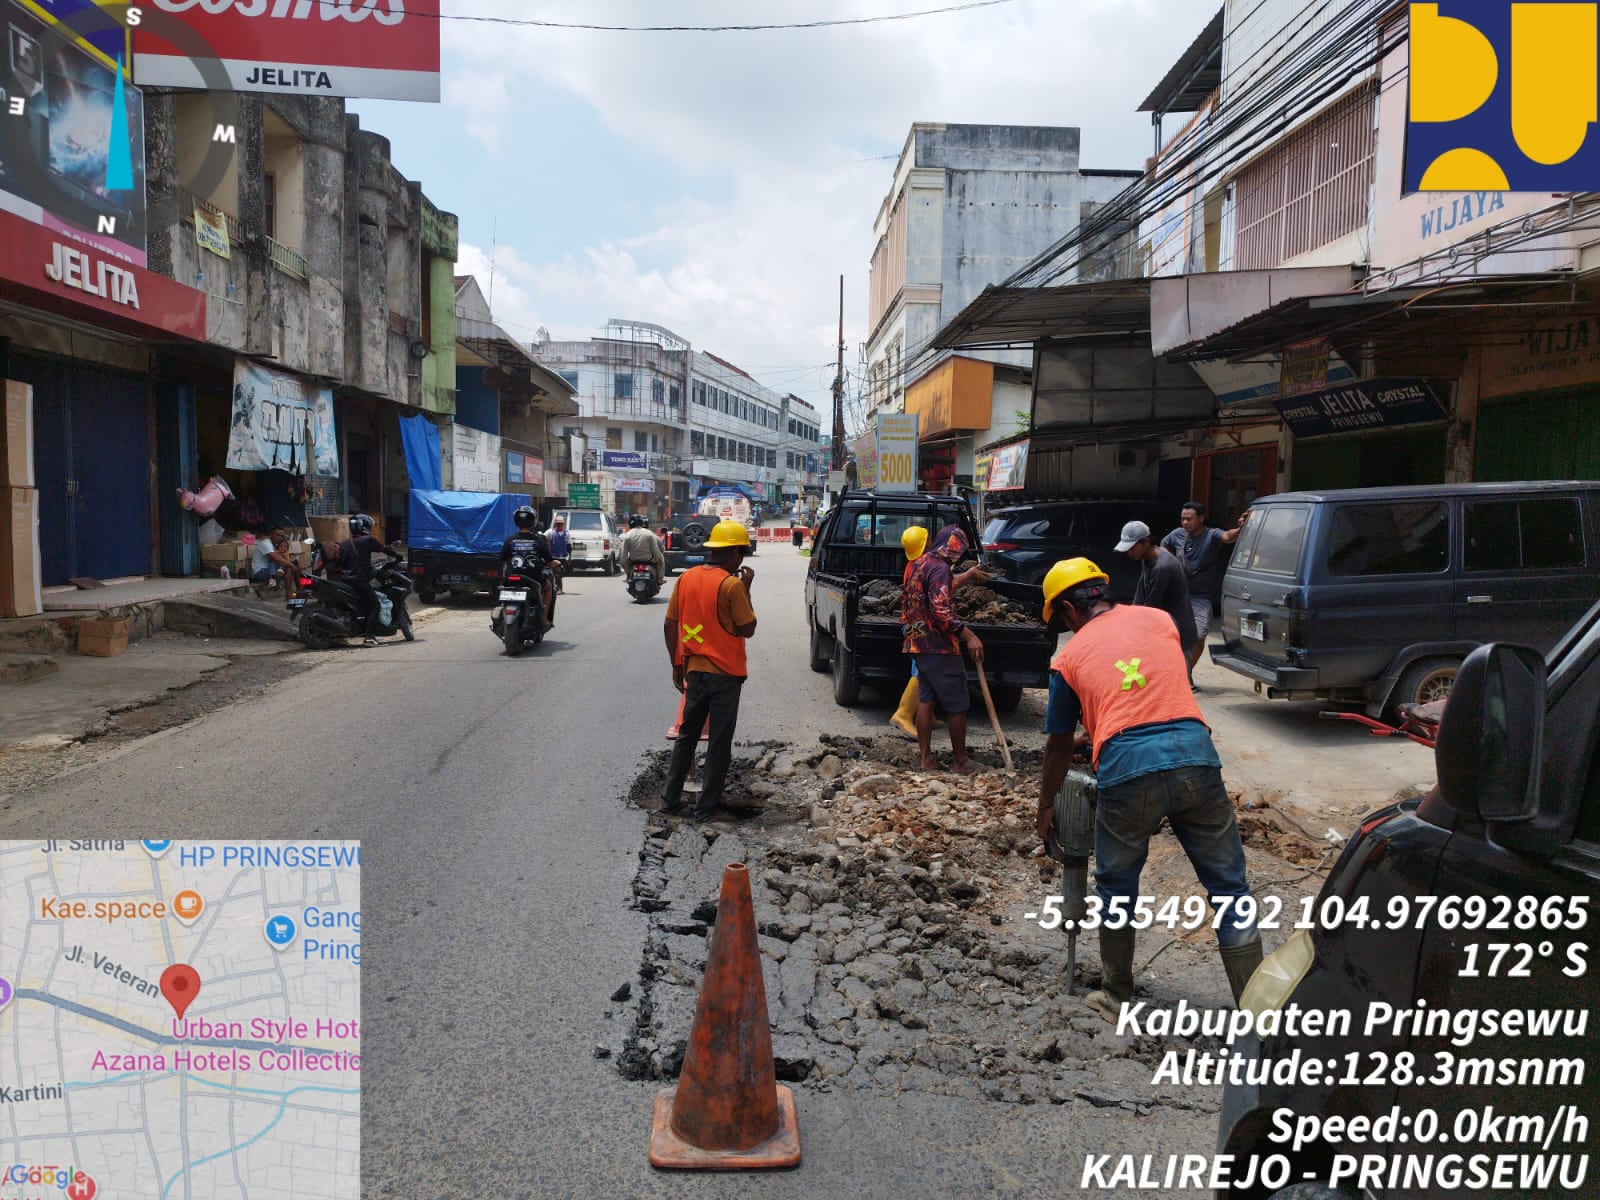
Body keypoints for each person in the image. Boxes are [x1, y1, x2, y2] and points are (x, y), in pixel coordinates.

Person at [1034, 557, 1262, 1022]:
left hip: (1127, 768)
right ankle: (1258, 1013)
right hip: (1196, 754)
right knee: (1230, 888)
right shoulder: (1158, 620)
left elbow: (1057, 746)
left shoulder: (1068, 659)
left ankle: (1117, 995)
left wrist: (1045, 806)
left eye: (1059, 619)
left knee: (1117, 886)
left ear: (1067, 611)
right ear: (1100, 591)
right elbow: (1148, 683)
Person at [661, 519, 757, 820]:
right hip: (725, 674)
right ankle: (706, 809)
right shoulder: (731, 585)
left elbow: (670, 623)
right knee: (718, 743)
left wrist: (677, 663)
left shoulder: (686, 578)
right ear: (735, 554)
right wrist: (747, 589)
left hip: (694, 670)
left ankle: (670, 801)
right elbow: (748, 628)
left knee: (687, 737)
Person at [889, 526, 992, 736]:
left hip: (911, 623)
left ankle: (926, 716)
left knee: (924, 675)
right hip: (919, 628)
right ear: (927, 544)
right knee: (922, 671)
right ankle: (903, 713)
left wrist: (968, 574)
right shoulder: (935, 566)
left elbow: (946, 585)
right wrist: (966, 633)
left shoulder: (917, 564)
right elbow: (940, 602)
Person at [1161, 501, 1249, 679]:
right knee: (1171, 636)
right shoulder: (1178, 534)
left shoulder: (1211, 534)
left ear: (1201, 518)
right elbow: (1164, 544)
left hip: (1201, 597)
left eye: (1189, 519)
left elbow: (1227, 537)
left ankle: (1185, 673)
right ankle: (1176, 674)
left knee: (1199, 636)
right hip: (1177, 596)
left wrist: (1240, 529)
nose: (1185, 523)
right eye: (1183, 519)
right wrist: (1171, 563)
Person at [1115, 520, 1198, 679]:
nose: (1129, 553)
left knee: (1175, 684)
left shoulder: (1162, 567)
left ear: (1145, 542)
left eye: (1132, 547)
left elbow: (1151, 608)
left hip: (1176, 632)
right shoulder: (1148, 559)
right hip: (1164, 630)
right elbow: (1141, 593)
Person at [339, 515, 394, 647]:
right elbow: (384, 549)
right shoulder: (368, 540)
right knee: (375, 605)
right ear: (365, 526)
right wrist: (397, 555)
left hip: (345, 581)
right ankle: (369, 637)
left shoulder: (345, 544)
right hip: (360, 581)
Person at [500, 506, 555, 629]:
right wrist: (555, 563)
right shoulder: (539, 540)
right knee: (548, 587)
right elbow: (549, 561)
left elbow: (503, 559)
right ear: (533, 521)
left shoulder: (510, 540)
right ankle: (544, 618)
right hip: (533, 580)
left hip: (511, 579)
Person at [621, 513, 666, 587]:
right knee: (661, 560)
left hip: (633, 560)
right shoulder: (649, 534)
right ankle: (660, 579)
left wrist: (624, 564)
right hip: (649, 559)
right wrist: (659, 558)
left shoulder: (627, 535)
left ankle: (628, 577)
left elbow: (624, 554)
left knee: (623, 562)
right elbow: (655, 550)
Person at [249, 528, 295, 593]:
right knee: (288, 567)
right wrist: (291, 565)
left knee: (291, 565)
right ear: (271, 535)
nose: (280, 537)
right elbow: (276, 558)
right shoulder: (266, 543)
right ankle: (288, 592)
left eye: (282, 536)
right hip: (260, 572)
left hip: (267, 569)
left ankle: (294, 590)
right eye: (278, 535)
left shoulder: (275, 545)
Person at [547, 516, 570, 593]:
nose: (559, 525)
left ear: (564, 524)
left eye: (561, 524)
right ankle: (558, 589)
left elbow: (568, 545)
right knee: (557, 573)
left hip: (563, 557)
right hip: (553, 557)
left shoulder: (566, 533)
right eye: (558, 524)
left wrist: (570, 557)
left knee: (560, 573)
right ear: (555, 524)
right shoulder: (550, 532)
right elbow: (542, 538)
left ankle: (558, 588)